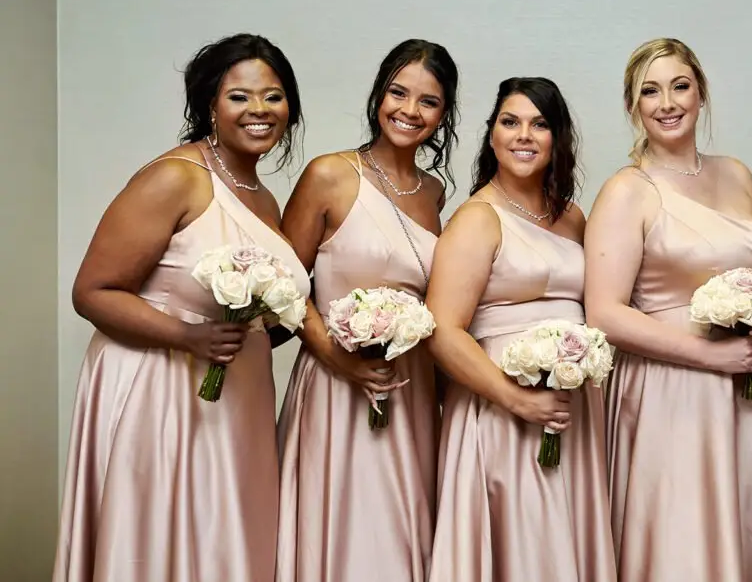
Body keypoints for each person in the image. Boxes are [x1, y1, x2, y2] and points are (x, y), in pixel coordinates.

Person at [53, 33, 309, 582]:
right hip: (161, 387)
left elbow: (263, 308)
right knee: (157, 536)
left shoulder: (261, 196)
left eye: (274, 95)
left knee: (226, 536)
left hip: (234, 393)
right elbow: (92, 291)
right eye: (239, 96)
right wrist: (187, 337)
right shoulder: (175, 178)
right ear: (209, 104)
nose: (260, 110)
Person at [585, 37, 752, 581]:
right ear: (633, 107)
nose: (667, 102)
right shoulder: (626, 191)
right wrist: (710, 357)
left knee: (743, 525)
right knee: (682, 537)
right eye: (649, 91)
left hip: (750, 391)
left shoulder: (738, 174)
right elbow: (604, 312)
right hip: (670, 391)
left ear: (700, 93)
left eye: (680, 86)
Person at [275, 39, 458, 582]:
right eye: (398, 92)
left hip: (410, 386)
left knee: (399, 530)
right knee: (341, 522)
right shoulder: (329, 174)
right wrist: (340, 359)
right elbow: (286, 291)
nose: (409, 110)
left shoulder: (435, 191)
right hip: (335, 381)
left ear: (444, 114)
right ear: (378, 96)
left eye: (428, 101)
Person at [425, 78, 616, 582]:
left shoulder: (572, 218)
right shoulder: (476, 220)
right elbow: (443, 330)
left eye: (540, 124)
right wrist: (517, 399)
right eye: (510, 122)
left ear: (558, 139)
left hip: (572, 410)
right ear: (491, 136)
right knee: (523, 547)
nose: (524, 135)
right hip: (501, 408)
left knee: (565, 543)